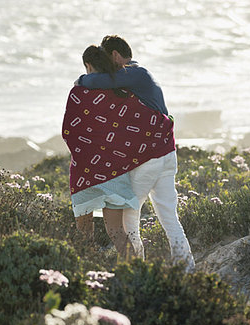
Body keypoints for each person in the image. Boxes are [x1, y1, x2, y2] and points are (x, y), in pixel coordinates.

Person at [77, 35, 195, 272]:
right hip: (167, 155)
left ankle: (136, 269)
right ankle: (187, 268)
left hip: (149, 160)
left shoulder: (134, 73)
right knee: (169, 217)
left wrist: (82, 78)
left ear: (115, 56)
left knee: (128, 218)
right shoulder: (140, 77)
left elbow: (95, 82)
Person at [64, 45, 175, 257]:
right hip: (116, 173)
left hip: (85, 175)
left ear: (88, 65)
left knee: (84, 233)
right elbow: (137, 127)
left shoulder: (79, 93)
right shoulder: (122, 93)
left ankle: (87, 274)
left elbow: (70, 131)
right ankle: (135, 273)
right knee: (117, 232)